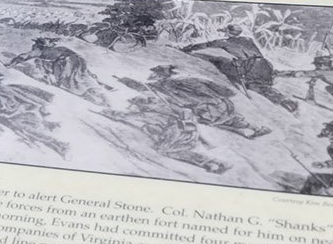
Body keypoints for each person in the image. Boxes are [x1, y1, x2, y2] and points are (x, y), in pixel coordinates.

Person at [120, 64, 270, 139]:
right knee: (230, 117)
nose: (153, 76)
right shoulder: (189, 78)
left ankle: (248, 130)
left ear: (161, 75)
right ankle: (255, 128)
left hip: (205, 108)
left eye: (155, 74)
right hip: (222, 103)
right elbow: (225, 90)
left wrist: (125, 80)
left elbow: (144, 86)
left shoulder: (166, 83)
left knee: (217, 120)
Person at [179, 24, 299, 111]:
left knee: (220, 64)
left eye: (225, 31)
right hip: (264, 65)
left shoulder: (223, 42)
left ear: (227, 33)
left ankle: (280, 100)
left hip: (248, 66)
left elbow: (204, 45)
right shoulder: (248, 39)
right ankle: (284, 100)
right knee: (261, 85)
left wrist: (186, 49)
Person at [103, 96, 227, 173]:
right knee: (183, 145)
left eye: (135, 105)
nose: (135, 107)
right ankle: (215, 161)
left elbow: (125, 116)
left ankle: (209, 161)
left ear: (141, 104)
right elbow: (187, 111)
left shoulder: (147, 113)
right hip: (192, 131)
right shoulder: (166, 105)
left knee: (164, 150)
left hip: (176, 133)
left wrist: (108, 111)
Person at [0, 74, 70, 156]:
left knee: (27, 130)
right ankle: (49, 126)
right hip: (21, 113)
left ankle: (59, 144)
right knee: (26, 128)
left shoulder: (0, 92)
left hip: (18, 116)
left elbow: (5, 108)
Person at [3, 36, 111, 104]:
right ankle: (103, 96)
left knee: (72, 83)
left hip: (68, 62)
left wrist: (10, 64)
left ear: (39, 45)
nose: (34, 45)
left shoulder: (39, 51)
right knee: (83, 78)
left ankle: (96, 98)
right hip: (78, 60)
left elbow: (23, 56)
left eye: (36, 44)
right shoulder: (57, 48)